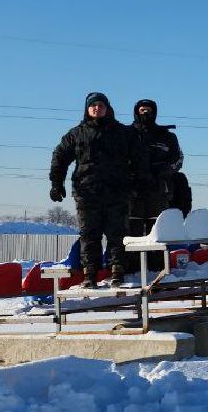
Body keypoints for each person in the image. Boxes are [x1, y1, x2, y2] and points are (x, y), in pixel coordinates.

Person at [49, 91, 150, 288]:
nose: (97, 108)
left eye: (101, 105)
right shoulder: (76, 134)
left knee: (117, 233)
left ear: (107, 108)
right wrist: (56, 183)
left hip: (117, 191)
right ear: (87, 109)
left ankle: (117, 272)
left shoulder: (122, 132)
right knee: (89, 234)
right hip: (87, 192)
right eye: (93, 105)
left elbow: (139, 157)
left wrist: (140, 181)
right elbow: (60, 157)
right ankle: (90, 274)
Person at [128, 98, 184, 264]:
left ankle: (158, 267)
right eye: (142, 110)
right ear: (136, 112)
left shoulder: (167, 137)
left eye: (149, 110)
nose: (145, 113)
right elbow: (115, 160)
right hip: (133, 191)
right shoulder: (126, 134)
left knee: (158, 231)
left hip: (159, 191)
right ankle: (132, 268)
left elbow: (179, 160)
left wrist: (164, 170)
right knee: (132, 232)